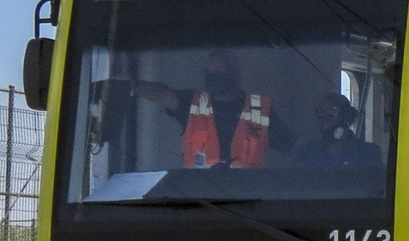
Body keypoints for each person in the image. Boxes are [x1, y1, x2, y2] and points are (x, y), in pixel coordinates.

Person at [119, 50, 291, 167]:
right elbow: (163, 95)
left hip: (249, 202)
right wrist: (132, 86)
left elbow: (291, 147)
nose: (214, 76)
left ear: (235, 73)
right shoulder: (193, 103)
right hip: (200, 202)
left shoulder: (260, 109)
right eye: (209, 72)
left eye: (220, 70)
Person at [293, 91, 384, 167]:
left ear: (346, 116)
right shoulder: (306, 152)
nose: (324, 118)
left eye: (331, 112)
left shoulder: (368, 153)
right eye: (320, 112)